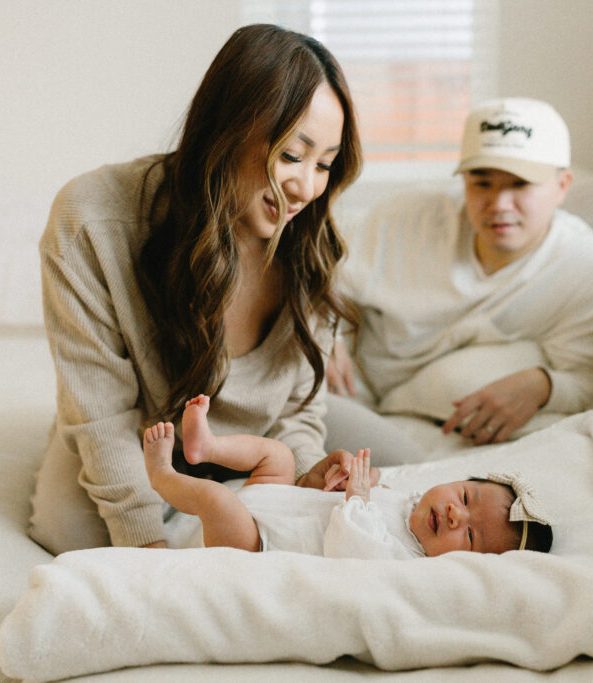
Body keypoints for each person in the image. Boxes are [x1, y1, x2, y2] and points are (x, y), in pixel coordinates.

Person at [29, 24, 373, 555]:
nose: (306, 187)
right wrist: (147, 546)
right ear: (228, 128)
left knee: (405, 463)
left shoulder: (311, 241)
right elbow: (101, 413)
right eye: (290, 155)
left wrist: (306, 474)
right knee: (68, 532)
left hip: (260, 440)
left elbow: (296, 414)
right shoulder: (93, 218)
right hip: (142, 434)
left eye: (324, 164)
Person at [326, 97, 593, 451]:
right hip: (348, 382)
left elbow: (591, 378)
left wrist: (543, 385)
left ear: (563, 185)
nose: (499, 204)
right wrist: (324, 331)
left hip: (424, 419)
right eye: (481, 183)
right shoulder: (411, 216)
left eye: (519, 184)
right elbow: (317, 275)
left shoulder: (589, 269)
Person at [143, 394, 554, 558]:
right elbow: (373, 495)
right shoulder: (414, 504)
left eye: (469, 537)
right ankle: (206, 448)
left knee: (219, 503)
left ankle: (163, 474)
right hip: (281, 500)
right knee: (279, 455)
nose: (453, 515)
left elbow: (353, 548)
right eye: (465, 498)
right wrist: (359, 480)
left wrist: (357, 499)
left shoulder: (403, 557)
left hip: (257, 542)